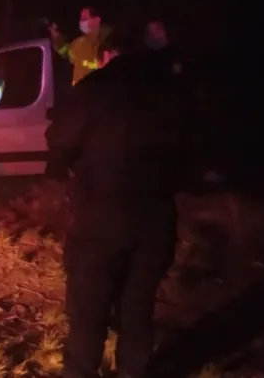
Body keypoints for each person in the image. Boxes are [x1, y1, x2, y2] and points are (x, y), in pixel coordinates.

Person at [45, 34, 195, 378]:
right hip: (155, 215)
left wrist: (74, 168)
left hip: (101, 213)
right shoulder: (172, 91)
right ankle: (133, 370)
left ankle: (81, 372)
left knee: (89, 306)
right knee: (138, 306)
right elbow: (193, 152)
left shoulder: (94, 89)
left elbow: (59, 141)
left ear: (108, 55)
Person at [49, 6, 113, 86]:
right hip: (80, 94)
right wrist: (57, 38)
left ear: (97, 20)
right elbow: (66, 52)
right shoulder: (79, 43)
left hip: (97, 93)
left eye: (85, 19)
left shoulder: (108, 41)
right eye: (81, 19)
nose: (81, 22)